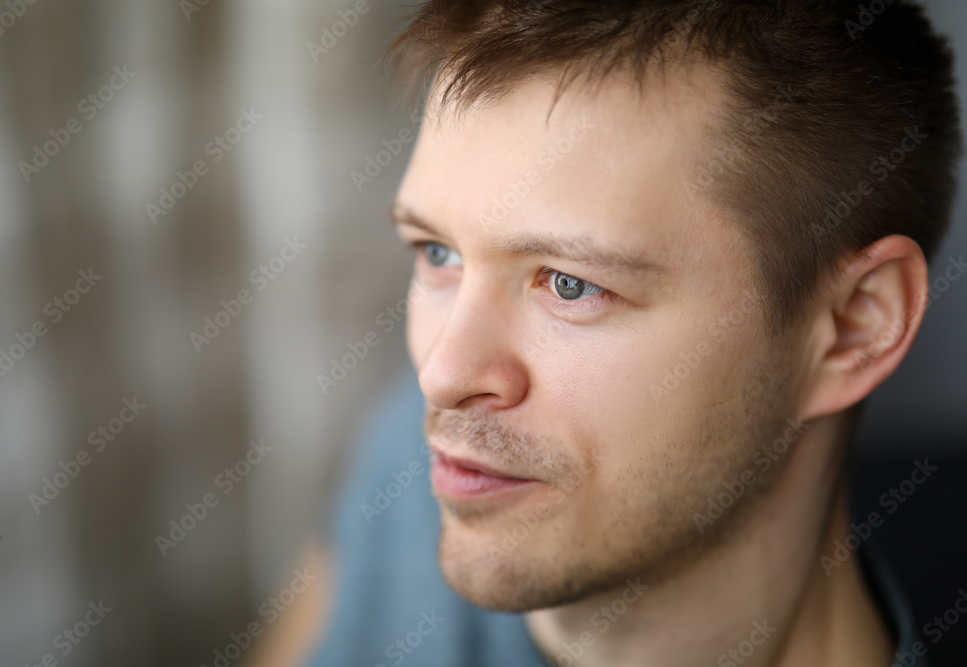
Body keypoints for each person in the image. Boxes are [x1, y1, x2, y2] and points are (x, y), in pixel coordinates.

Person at [292, 1, 963, 665]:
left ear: (854, 327)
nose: (442, 376)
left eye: (569, 284)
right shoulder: (431, 469)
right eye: (437, 253)